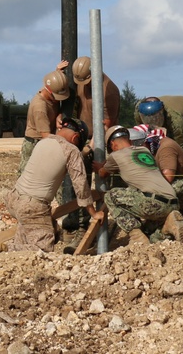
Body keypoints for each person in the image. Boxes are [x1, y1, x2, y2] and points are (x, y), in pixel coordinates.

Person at [5, 115, 103, 252]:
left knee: (29, 233)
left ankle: (14, 255)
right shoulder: (71, 150)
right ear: (75, 138)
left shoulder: (44, 141)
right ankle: (2, 249)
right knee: (42, 248)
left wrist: (85, 150)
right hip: (33, 206)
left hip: (14, 197)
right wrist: (94, 213)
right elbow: (81, 187)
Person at [93, 125, 183, 245]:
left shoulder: (115, 156)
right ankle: (169, 224)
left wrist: (99, 167)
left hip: (152, 203)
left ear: (113, 144)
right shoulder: (145, 151)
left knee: (110, 196)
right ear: (130, 140)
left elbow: (102, 173)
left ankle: (136, 236)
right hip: (173, 202)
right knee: (151, 236)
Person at [57, 57, 121, 232]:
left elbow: (107, 122)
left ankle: (111, 222)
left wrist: (94, 144)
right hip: (85, 135)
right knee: (79, 180)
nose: (83, 84)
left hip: (102, 138)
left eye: (86, 80)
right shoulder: (81, 81)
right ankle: (81, 222)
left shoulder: (108, 90)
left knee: (106, 180)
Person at [18, 69, 70, 175]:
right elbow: (46, 137)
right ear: (50, 92)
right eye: (57, 97)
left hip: (45, 140)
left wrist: (58, 71)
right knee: (28, 176)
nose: (58, 100)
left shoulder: (50, 90)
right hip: (35, 143)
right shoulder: (39, 108)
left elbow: (53, 83)